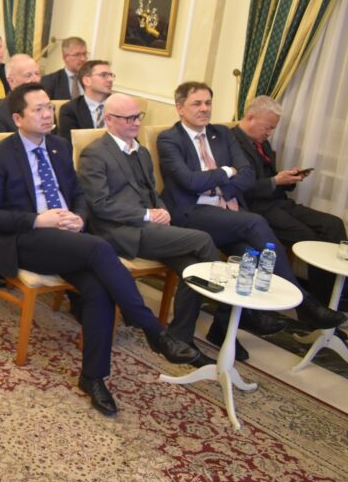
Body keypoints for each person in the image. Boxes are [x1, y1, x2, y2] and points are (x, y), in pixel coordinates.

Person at [0, 83, 198, 416]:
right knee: (99, 249)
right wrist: (39, 219)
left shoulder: (59, 146)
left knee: (98, 288)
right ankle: (153, 329)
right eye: (38, 110)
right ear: (18, 118)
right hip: (24, 239)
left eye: (49, 107)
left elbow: (79, 194)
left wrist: (79, 218)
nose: (47, 114)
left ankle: (93, 377)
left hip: (67, 238)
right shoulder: (0, 155)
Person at [157, 82, 346, 355]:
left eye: (208, 102)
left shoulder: (222, 133)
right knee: (255, 222)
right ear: (180, 108)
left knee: (250, 256)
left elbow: (246, 175)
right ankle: (304, 304)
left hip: (226, 211)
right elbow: (189, 182)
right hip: (192, 213)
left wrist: (220, 185)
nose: (205, 109)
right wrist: (226, 172)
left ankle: (222, 327)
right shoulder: (169, 139)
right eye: (197, 103)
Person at [77, 94, 220, 362]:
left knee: (192, 268)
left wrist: (162, 210)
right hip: (120, 232)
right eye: (128, 118)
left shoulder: (141, 151)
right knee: (203, 241)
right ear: (109, 119)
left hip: (150, 227)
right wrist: (146, 214)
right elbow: (100, 206)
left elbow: (152, 192)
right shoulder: (95, 153)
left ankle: (180, 338)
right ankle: (224, 316)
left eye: (138, 116)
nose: (136, 122)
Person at [234, 96, 347, 306]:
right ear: (250, 118)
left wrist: (288, 179)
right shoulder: (232, 143)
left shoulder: (263, 143)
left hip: (279, 202)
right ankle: (322, 303)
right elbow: (240, 188)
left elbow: (271, 178)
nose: (269, 133)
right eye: (268, 127)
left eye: (273, 128)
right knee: (311, 240)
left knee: (333, 224)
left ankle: (339, 295)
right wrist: (276, 181)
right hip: (257, 208)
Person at [57, 60, 115, 140]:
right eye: (104, 75)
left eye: (111, 75)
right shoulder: (70, 110)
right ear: (87, 80)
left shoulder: (119, 106)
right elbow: (70, 143)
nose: (110, 79)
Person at [0, 54, 43, 134]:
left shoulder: (46, 107)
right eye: (28, 75)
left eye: (37, 74)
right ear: (11, 81)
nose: (35, 80)